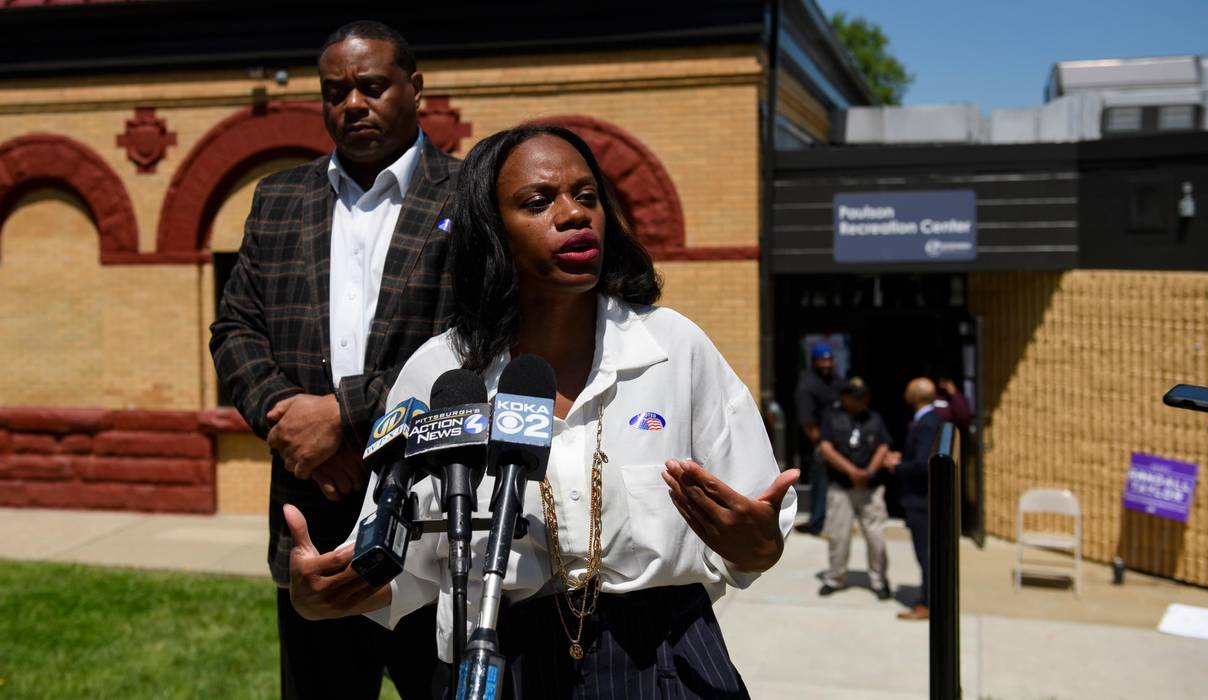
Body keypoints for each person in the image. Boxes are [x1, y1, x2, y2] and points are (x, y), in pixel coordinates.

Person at [282, 124, 798, 698]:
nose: (574, 214)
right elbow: (403, 566)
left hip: (668, 659)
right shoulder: (438, 374)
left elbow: (758, 528)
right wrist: (322, 594)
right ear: (490, 232)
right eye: (538, 201)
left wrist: (759, 542)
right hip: (503, 662)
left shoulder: (674, 347)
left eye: (587, 196)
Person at [209, 20, 456, 699]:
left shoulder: (470, 200)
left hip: (435, 518)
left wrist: (340, 416)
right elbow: (234, 328)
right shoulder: (278, 199)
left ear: (415, 88)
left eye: (371, 86)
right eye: (334, 91)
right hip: (311, 521)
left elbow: (474, 344)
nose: (352, 104)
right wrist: (296, 430)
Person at [816, 377, 892, 600]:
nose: (862, 401)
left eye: (864, 397)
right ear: (846, 398)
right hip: (842, 487)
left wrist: (868, 471)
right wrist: (851, 471)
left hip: (870, 489)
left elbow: (883, 446)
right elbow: (826, 448)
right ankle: (835, 578)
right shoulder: (833, 418)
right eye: (856, 397)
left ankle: (879, 580)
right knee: (839, 536)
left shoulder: (874, 419)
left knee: (876, 536)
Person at [881, 377, 946, 621]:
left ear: (916, 396)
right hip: (921, 499)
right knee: (926, 553)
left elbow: (922, 465)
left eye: (908, 391)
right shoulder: (929, 420)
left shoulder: (927, 423)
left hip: (921, 500)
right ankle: (929, 598)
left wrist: (896, 467)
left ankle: (929, 604)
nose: (904, 394)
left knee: (926, 554)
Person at [793, 342, 847, 534]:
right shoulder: (808, 385)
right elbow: (807, 423)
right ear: (814, 362)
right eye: (822, 360)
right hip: (819, 444)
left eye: (829, 360)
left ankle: (836, 522)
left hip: (840, 442)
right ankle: (818, 524)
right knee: (821, 484)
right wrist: (822, 445)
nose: (826, 364)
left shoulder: (837, 381)